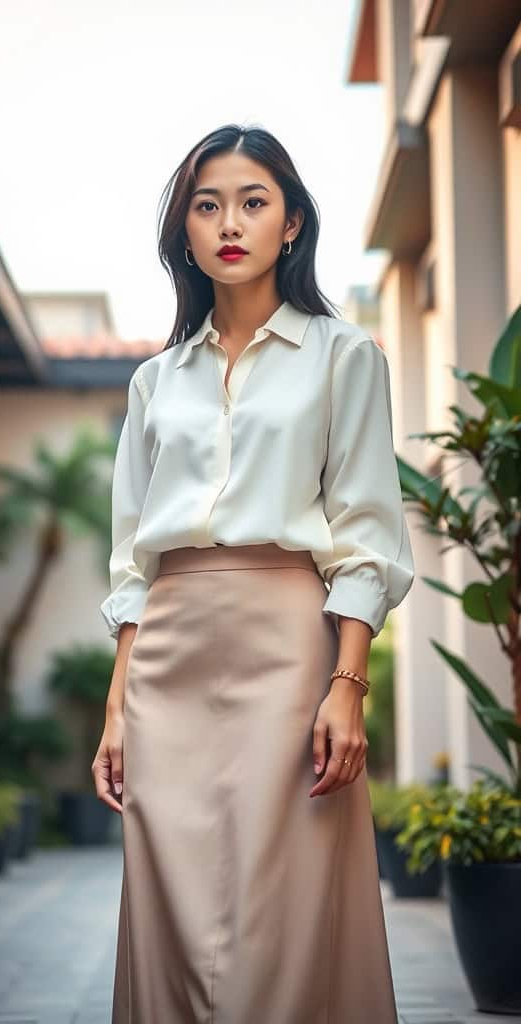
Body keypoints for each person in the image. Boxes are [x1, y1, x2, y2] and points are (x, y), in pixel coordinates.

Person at [93, 123, 415, 1024]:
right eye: (207, 205)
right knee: (176, 917)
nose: (229, 222)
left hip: (288, 649)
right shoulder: (155, 381)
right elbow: (132, 556)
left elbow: (366, 533)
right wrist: (118, 702)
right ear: (184, 234)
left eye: (252, 201)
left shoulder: (345, 358)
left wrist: (346, 684)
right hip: (167, 658)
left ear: (293, 224)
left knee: (283, 916)